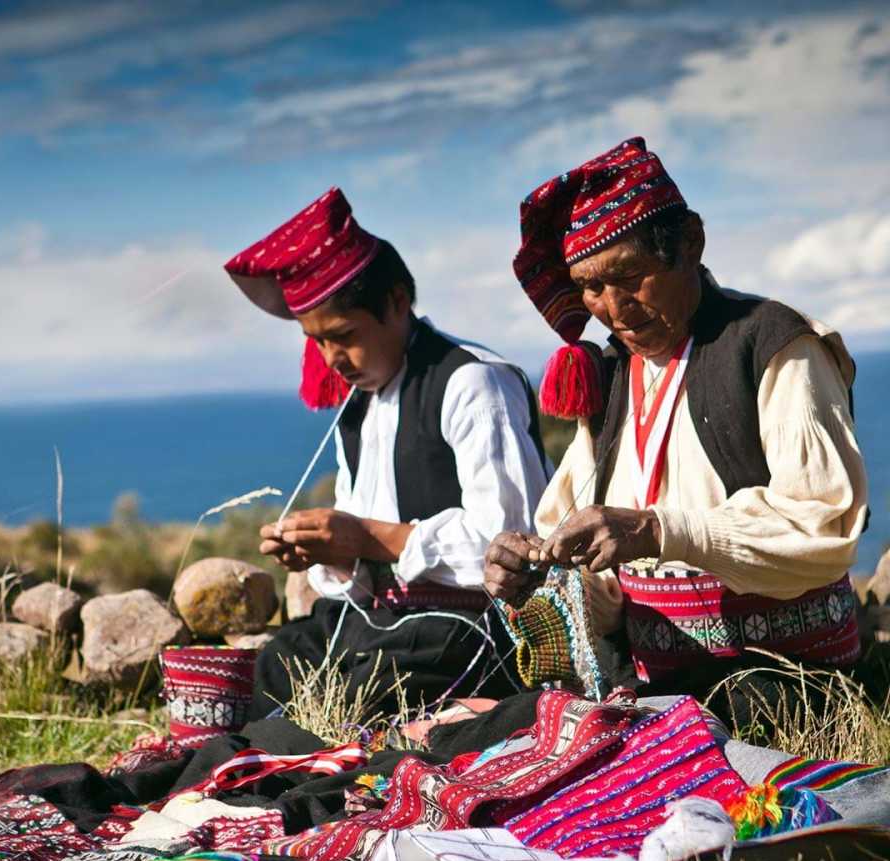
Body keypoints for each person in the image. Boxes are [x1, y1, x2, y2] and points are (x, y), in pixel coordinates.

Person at [483, 137, 868, 713]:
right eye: (591, 287)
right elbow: (598, 578)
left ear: (691, 244)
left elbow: (824, 527)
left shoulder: (774, 345)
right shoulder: (612, 375)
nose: (614, 309)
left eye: (630, 276)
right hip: (655, 686)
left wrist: (659, 530)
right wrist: (537, 575)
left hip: (782, 682)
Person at [225, 187, 550, 720]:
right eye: (317, 341)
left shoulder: (474, 383)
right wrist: (329, 553)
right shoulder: (356, 410)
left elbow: (516, 549)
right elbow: (362, 567)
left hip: (467, 630)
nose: (332, 358)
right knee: (280, 662)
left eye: (344, 335)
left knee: (363, 692)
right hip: (382, 624)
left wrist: (369, 537)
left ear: (397, 302)